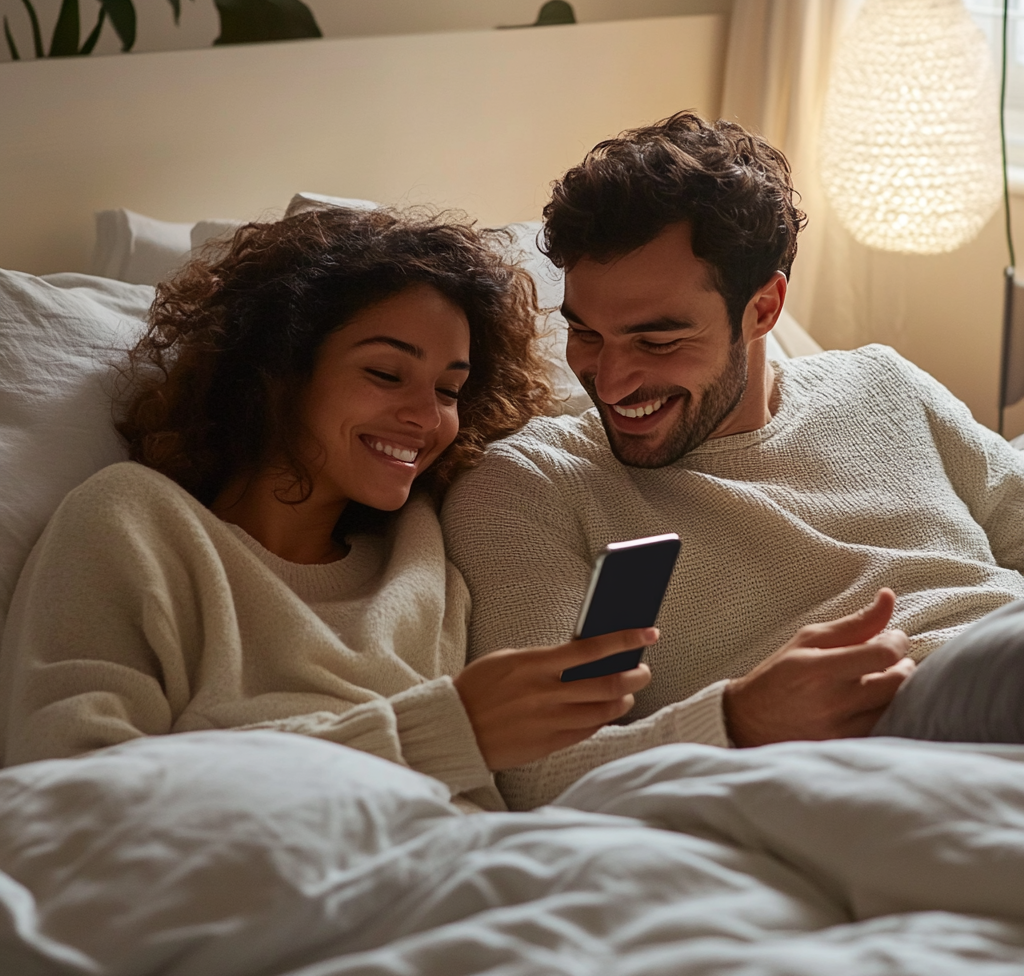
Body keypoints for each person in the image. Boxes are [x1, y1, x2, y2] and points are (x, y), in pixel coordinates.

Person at [441, 111, 1024, 811]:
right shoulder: (529, 486)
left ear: (764, 309)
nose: (612, 382)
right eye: (587, 334)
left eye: (657, 341)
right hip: (893, 750)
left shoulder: (882, 385)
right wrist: (738, 721)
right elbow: (539, 771)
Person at [0, 207, 659, 810]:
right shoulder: (134, 523)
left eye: (449, 390)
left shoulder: (424, 557)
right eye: (385, 374)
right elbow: (75, 805)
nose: (426, 416)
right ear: (278, 369)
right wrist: (443, 732)